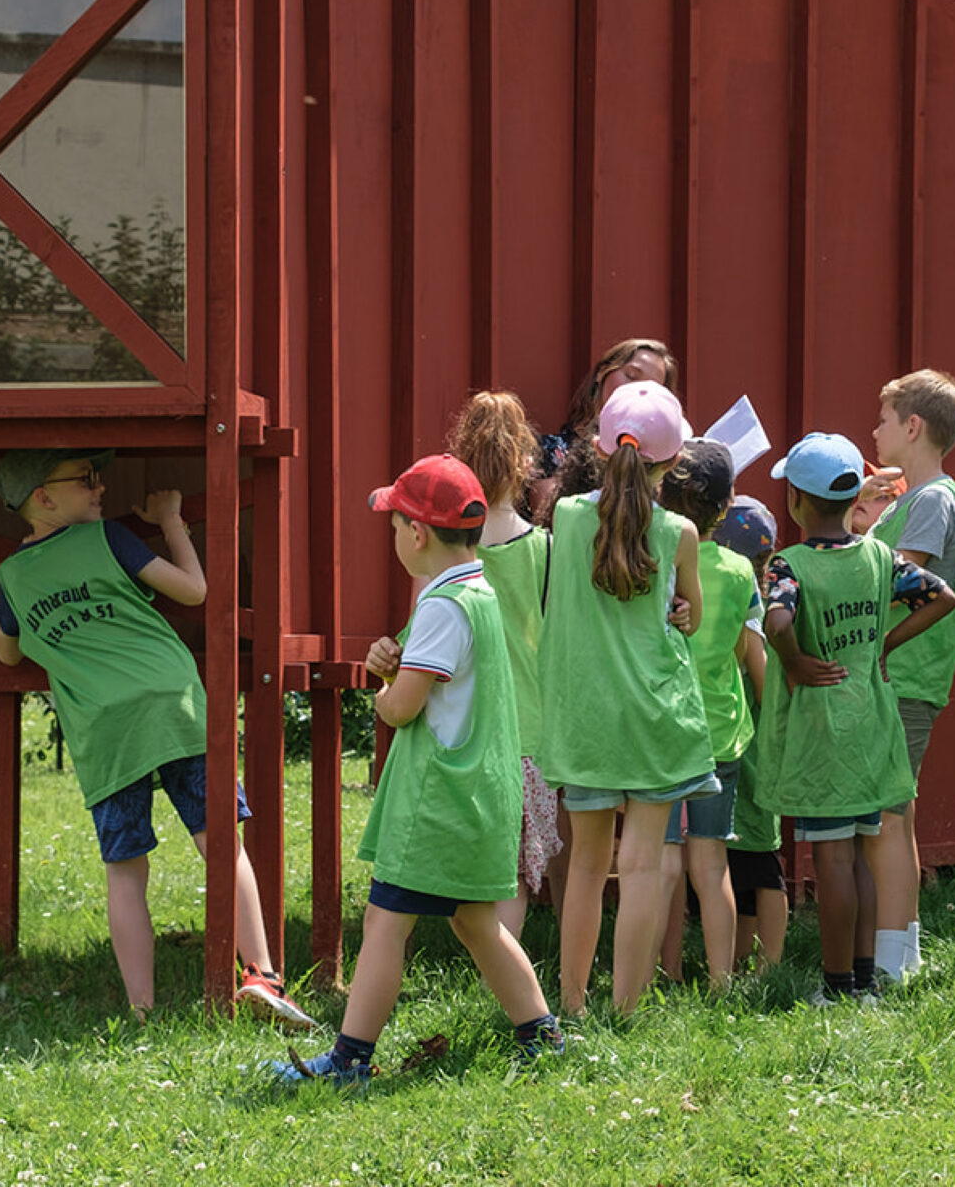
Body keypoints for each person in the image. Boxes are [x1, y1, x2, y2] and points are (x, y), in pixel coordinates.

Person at [0, 448, 313, 1028]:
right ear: (43, 497)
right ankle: (261, 974)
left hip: (103, 731)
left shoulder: (12, 576)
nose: (101, 487)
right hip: (173, 707)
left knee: (125, 870)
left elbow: (7, 652)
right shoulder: (107, 539)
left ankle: (142, 1009)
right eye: (85, 479)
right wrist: (169, 520)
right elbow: (193, 589)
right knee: (220, 844)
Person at [275, 455, 566, 1086]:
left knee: (384, 923)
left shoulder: (441, 607)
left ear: (417, 534)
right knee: (476, 923)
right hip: (484, 796)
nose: (393, 534)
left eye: (395, 523)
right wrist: (400, 665)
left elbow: (402, 707)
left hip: (436, 801)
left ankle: (349, 1060)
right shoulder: (479, 593)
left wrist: (382, 684)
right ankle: (544, 1038)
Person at [534, 379, 714, 1016]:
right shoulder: (681, 534)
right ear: (674, 463)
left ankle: (572, 1004)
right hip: (656, 718)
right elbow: (688, 616)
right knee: (641, 869)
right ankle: (626, 1010)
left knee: (586, 866)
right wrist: (684, 613)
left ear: (602, 450)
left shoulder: (565, 516)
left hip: (586, 720)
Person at [758, 432, 955, 1001]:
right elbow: (942, 596)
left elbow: (776, 623)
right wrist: (885, 647)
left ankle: (836, 983)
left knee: (833, 859)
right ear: (852, 500)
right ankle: (867, 980)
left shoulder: (788, 564)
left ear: (796, 500)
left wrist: (794, 661)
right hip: (872, 721)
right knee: (866, 853)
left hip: (823, 732)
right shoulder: (877, 554)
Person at [865, 369, 955, 984]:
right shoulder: (920, 497)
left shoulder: (932, 499)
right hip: (902, 675)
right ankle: (901, 956)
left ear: (913, 427)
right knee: (896, 815)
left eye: (883, 420)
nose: (875, 431)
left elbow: (903, 581)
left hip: (903, 674)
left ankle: (887, 964)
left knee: (886, 816)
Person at [447, 390, 561, 937]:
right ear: (525, 463)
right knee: (515, 868)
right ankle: (503, 972)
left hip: (462, 724)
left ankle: (482, 965)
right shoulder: (546, 547)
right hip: (528, 729)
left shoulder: (448, 551)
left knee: (469, 854)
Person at [651, 440, 764, 988]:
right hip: (723, 731)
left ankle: (660, 972)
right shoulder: (743, 569)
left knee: (665, 862)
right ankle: (721, 979)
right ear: (729, 504)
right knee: (711, 861)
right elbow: (748, 648)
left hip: (668, 731)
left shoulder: (659, 558)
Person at [713, 495, 792, 973]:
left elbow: (763, 684)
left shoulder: (753, 612)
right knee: (739, 862)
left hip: (757, 752)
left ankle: (772, 962)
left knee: (764, 864)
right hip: (742, 746)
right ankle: (742, 955)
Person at [532, 339, 676, 521]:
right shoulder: (550, 452)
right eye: (631, 376)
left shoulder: (663, 463)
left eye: (649, 388)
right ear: (602, 372)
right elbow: (551, 524)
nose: (635, 390)